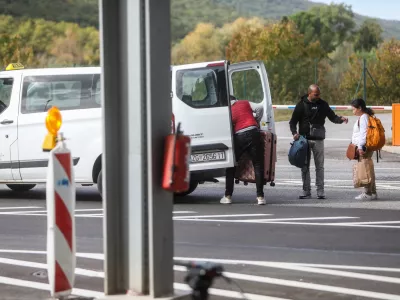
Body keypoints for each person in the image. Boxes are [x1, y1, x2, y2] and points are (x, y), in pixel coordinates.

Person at [289, 84, 348, 199]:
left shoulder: (323, 104)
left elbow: (332, 117)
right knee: (304, 166)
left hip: (319, 140)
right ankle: (306, 191)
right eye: (316, 94)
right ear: (309, 93)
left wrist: (341, 119)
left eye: (319, 94)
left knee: (319, 167)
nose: (318, 96)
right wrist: (294, 133)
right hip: (304, 141)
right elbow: (293, 122)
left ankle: (320, 191)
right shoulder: (301, 105)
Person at [220, 96, 266, 205]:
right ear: (235, 100)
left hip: (239, 136)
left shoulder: (227, 110)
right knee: (258, 165)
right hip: (253, 132)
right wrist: (256, 121)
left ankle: (228, 196)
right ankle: (260, 197)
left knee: (231, 166)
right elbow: (259, 107)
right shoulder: (244, 102)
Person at [351, 98, 377, 200]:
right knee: (369, 168)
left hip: (364, 147)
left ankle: (367, 193)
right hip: (365, 147)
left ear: (360, 108)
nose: (353, 111)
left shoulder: (363, 118)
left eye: (354, 109)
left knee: (365, 169)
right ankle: (373, 192)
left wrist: (361, 146)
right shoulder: (365, 116)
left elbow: (363, 133)